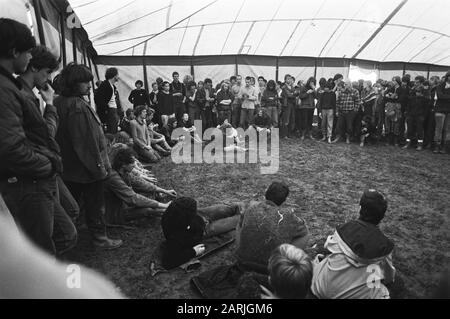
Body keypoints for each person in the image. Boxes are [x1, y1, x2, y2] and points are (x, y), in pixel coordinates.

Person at [0, 18, 62, 255]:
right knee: (43, 248)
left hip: (28, 178)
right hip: (28, 181)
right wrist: (48, 165)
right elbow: (13, 148)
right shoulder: (7, 90)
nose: (29, 59)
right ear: (14, 51)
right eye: (27, 52)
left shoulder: (10, 86)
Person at [17, 45, 78, 255]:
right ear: (33, 67)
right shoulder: (22, 97)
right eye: (47, 72)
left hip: (43, 170)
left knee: (70, 215)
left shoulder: (27, 95)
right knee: (52, 237)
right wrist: (50, 105)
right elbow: (46, 135)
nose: (48, 78)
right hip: (38, 175)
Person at [55, 62, 122, 249]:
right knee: (95, 204)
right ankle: (99, 238)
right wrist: (99, 168)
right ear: (73, 83)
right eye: (84, 82)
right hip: (87, 168)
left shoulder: (59, 102)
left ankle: (69, 235)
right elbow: (85, 142)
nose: (89, 86)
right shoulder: (77, 106)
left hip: (70, 167)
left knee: (73, 203)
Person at [311, 190, 395, 299]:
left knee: (323, 259)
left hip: (320, 288)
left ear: (360, 208)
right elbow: (388, 277)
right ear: (382, 216)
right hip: (353, 295)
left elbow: (328, 246)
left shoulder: (344, 229)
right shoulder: (385, 245)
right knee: (383, 291)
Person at [235, 182, 309, 273]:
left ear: (266, 193)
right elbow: (303, 231)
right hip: (269, 269)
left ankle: (240, 251)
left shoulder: (251, 207)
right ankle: (285, 262)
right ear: (284, 200)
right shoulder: (288, 216)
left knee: (240, 223)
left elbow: (241, 225)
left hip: (243, 262)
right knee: (305, 234)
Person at [161, 197, 241, 269]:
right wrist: (194, 252)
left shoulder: (172, 214)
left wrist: (197, 216)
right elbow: (168, 262)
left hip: (201, 216)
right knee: (239, 219)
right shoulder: (176, 237)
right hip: (204, 230)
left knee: (232, 208)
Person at [104, 148, 173, 224]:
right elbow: (133, 198)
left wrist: (165, 191)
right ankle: (170, 211)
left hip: (124, 205)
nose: (135, 165)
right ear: (123, 165)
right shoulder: (113, 178)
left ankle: (168, 210)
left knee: (148, 199)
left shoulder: (124, 172)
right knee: (148, 209)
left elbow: (141, 184)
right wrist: (164, 205)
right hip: (116, 212)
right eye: (132, 162)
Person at [95, 67, 123, 134]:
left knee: (114, 130)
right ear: (114, 75)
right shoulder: (105, 85)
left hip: (113, 111)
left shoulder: (111, 86)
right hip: (110, 111)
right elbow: (98, 99)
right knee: (112, 132)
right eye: (117, 75)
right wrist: (106, 110)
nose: (118, 77)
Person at [403, 85, 428, 151]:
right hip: (411, 116)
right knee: (409, 130)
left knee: (420, 131)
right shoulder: (412, 99)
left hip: (419, 116)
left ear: (422, 92)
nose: (417, 93)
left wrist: (423, 117)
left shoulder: (425, 99)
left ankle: (420, 144)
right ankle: (408, 143)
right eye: (416, 91)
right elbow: (408, 107)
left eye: (419, 91)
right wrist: (408, 115)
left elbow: (426, 109)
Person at [433, 71, 450, 154]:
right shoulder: (440, 86)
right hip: (440, 110)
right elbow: (440, 96)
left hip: (448, 111)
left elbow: (443, 96)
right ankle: (437, 145)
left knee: (445, 129)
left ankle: (443, 146)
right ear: (447, 77)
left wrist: (445, 96)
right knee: (439, 129)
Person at [384, 81, 402, 147]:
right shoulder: (389, 89)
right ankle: (388, 140)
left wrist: (393, 97)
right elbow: (385, 96)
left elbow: (399, 98)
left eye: (394, 81)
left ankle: (395, 141)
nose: (392, 83)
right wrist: (391, 96)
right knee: (387, 124)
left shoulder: (401, 89)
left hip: (397, 107)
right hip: (389, 107)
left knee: (396, 124)